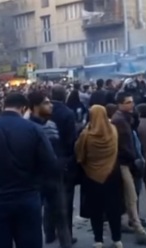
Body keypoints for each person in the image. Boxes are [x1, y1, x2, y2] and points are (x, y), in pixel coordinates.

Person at [0, 92, 58, 248]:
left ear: (3, 106)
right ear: (23, 108)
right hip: (27, 197)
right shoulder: (34, 129)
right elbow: (50, 164)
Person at [27, 91, 71, 248]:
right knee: (34, 220)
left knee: (61, 216)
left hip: (54, 177)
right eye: (46, 103)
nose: (51, 105)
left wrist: (62, 163)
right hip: (36, 179)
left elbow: (57, 150)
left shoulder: (52, 124)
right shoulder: (28, 127)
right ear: (35, 107)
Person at [75, 105, 123, 248]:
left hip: (91, 176)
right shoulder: (113, 131)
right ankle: (117, 239)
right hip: (112, 173)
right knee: (114, 208)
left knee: (96, 209)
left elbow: (79, 155)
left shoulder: (86, 135)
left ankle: (98, 240)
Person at [111, 91, 146, 244]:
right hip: (124, 163)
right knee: (131, 197)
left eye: (132, 101)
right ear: (120, 104)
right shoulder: (119, 120)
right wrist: (134, 159)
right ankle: (138, 229)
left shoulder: (125, 118)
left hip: (127, 162)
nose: (132, 104)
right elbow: (124, 145)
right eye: (128, 102)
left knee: (128, 197)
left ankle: (128, 224)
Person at [50, 85, 78, 243]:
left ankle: (49, 232)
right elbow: (71, 140)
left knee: (50, 198)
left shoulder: (46, 110)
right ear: (64, 96)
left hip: (48, 158)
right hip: (64, 159)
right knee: (66, 199)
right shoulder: (67, 113)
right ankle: (66, 234)